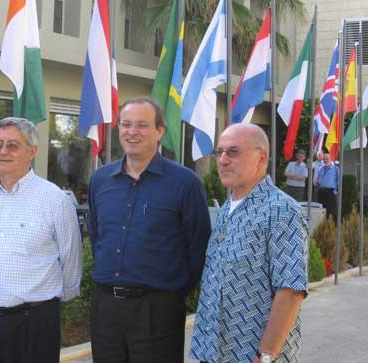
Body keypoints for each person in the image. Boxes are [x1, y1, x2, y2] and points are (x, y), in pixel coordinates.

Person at [88, 96, 211, 363]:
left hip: (158, 310)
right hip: (106, 308)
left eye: (142, 125)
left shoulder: (185, 183)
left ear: (159, 131)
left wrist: (172, 294)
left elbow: (198, 246)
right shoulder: (100, 180)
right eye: (126, 124)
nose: (132, 132)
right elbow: (97, 236)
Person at [0, 117, 82, 363]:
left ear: (32, 152)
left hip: (33, 325)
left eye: (13, 145)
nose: (3, 151)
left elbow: (71, 260)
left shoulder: (55, 200)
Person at [190, 124, 308, 363]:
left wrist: (265, 355)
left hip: (253, 355)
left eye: (233, 152)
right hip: (214, 352)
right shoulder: (227, 209)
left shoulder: (281, 210)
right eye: (219, 152)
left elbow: (290, 290)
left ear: (261, 158)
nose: (222, 160)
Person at [316, 151, 340, 218]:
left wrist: (335, 191)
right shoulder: (321, 169)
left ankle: (330, 223)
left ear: (331, 159)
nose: (325, 160)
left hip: (331, 192)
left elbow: (338, 181)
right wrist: (318, 182)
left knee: (330, 211)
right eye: (324, 159)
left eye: (327, 159)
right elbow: (318, 180)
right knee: (321, 211)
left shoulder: (336, 169)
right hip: (321, 191)